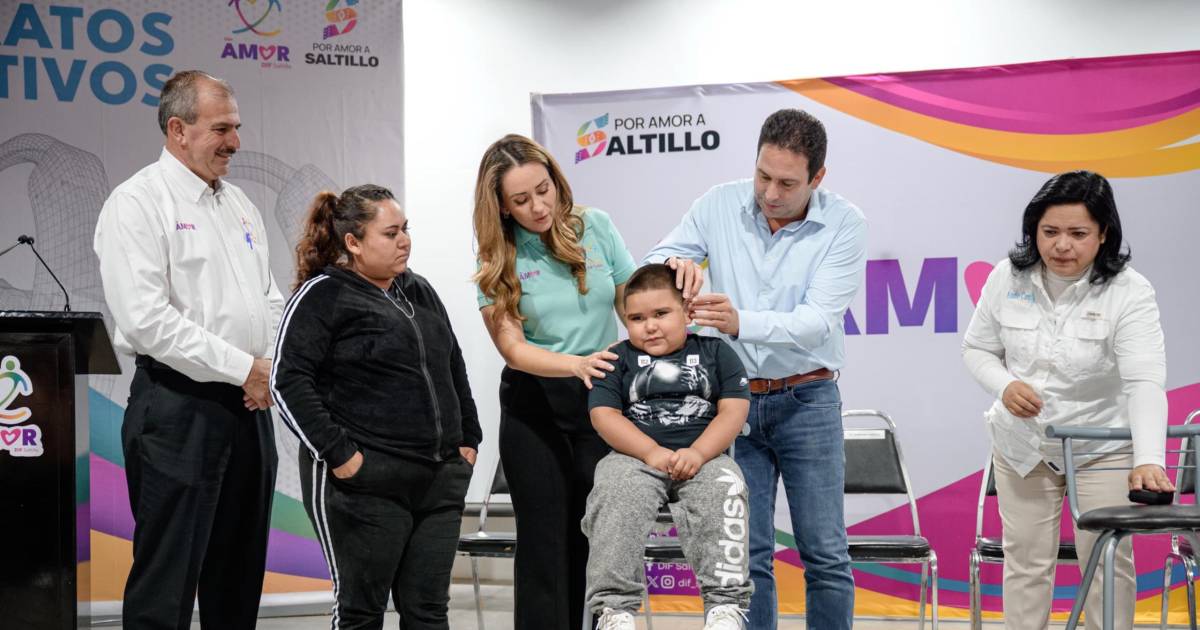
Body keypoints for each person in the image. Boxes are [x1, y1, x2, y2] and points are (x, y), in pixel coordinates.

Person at [644, 108, 866, 629]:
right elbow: (655, 260)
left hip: (808, 400)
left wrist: (740, 321)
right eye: (763, 175)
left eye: (787, 183)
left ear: (817, 177)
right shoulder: (717, 204)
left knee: (825, 553)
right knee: (745, 555)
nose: (769, 193)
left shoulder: (845, 223)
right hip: (733, 402)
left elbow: (816, 322)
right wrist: (673, 264)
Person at [93, 70, 283, 630]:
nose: (235, 142)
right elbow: (147, 321)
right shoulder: (137, 203)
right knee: (167, 581)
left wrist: (266, 369)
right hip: (177, 409)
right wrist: (244, 368)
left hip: (249, 407)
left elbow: (270, 298)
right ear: (178, 129)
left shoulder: (240, 203)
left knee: (238, 576)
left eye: (236, 127)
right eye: (221, 129)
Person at [962, 170, 1172, 630]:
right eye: (1049, 231)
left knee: (1105, 563)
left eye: (1078, 234)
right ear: (1033, 230)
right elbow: (977, 349)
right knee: (1026, 563)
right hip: (1023, 445)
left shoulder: (1130, 291)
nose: (1061, 245)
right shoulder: (1006, 276)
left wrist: (1149, 458)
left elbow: (1144, 382)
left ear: (1103, 234)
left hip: (1101, 448)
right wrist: (1004, 385)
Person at [270, 184, 480, 629]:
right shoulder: (323, 295)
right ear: (353, 241)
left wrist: (468, 440)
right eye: (390, 233)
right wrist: (342, 456)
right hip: (365, 484)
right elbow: (287, 381)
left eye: (405, 229)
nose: (404, 241)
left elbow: (452, 363)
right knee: (361, 613)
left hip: (438, 481)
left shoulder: (419, 289)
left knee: (428, 612)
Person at [472, 134, 638, 629]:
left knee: (595, 538)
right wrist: (574, 365)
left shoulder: (596, 226)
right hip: (535, 404)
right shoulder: (496, 256)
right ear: (502, 206)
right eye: (521, 200)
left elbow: (632, 305)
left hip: (600, 400)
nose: (538, 207)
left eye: (543, 190)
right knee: (544, 544)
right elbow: (512, 348)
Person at [583, 263, 753, 630]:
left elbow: (734, 411)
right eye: (637, 318)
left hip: (705, 458)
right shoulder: (615, 360)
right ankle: (615, 609)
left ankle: (725, 606)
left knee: (727, 485)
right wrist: (650, 452)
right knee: (614, 489)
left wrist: (699, 453)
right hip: (633, 458)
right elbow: (604, 415)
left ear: (687, 313)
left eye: (661, 313)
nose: (650, 326)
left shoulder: (717, 352)